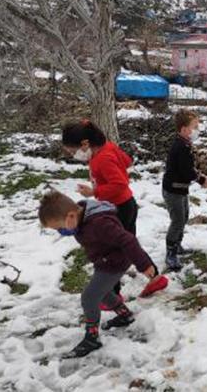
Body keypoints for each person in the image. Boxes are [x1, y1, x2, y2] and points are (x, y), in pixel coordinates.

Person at [38, 191, 162, 358]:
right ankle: (125, 316)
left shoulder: (99, 223)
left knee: (89, 297)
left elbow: (128, 240)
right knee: (103, 293)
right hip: (105, 260)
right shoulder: (82, 218)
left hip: (115, 263)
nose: (60, 232)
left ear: (71, 215)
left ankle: (92, 338)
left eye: (59, 228)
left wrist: (144, 264)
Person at [62, 120, 160, 298]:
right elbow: (127, 161)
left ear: (85, 144)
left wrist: (95, 191)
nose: (73, 155)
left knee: (112, 250)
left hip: (118, 208)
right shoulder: (107, 148)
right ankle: (155, 278)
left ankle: (113, 294)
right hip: (127, 204)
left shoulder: (102, 158)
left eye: (72, 151)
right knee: (128, 243)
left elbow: (120, 183)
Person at [162, 110, 207, 271]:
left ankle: (177, 245)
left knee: (184, 217)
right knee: (177, 220)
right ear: (185, 129)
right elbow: (187, 171)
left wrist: (199, 176)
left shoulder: (185, 144)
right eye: (195, 126)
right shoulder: (181, 146)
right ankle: (170, 253)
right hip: (173, 190)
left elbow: (188, 168)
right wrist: (202, 180)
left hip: (181, 190)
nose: (197, 129)